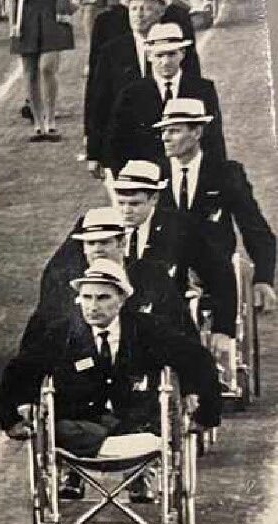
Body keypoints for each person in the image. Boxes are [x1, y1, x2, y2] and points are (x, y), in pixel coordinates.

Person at [0, 259, 221, 500]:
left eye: (103, 298)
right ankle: (110, 449)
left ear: (122, 299)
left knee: (152, 428)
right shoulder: (62, 333)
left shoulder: (147, 330)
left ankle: (131, 463)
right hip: (80, 427)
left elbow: (199, 359)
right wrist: (11, 419)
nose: (93, 306)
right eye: (87, 298)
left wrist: (204, 414)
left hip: (137, 424)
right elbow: (18, 370)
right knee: (55, 427)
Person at [156, 98, 277, 312]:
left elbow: (255, 228)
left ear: (196, 133)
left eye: (174, 131)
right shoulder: (153, 175)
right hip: (167, 279)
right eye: (164, 131)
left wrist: (263, 279)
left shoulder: (226, 174)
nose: (165, 138)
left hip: (217, 280)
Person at [23, 206, 195, 344]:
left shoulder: (152, 275)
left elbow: (183, 330)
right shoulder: (65, 282)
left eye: (105, 242)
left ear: (122, 243)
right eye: (91, 243)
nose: (98, 249)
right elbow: (41, 331)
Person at [85, 0, 200, 179]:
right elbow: (97, 98)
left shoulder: (177, 37)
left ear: (161, 11)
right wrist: (93, 151)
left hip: (170, 146)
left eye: (146, 9)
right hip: (126, 145)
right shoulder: (111, 48)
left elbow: (193, 85)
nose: (139, 14)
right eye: (134, 9)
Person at [106, 22, 224, 173]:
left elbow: (214, 140)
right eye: (159, 55)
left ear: (182, 53)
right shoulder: (131, 94)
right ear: (149, 56)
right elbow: (118, 146)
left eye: (171, 54)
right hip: (148, 181)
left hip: (192, 177)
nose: (166, 62)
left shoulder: (202, 90)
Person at [8, 0, 77, 140]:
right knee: (30, 71)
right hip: (26, 13)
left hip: (52, 12)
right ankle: (38, 123)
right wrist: (13, 22)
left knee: (47, 67)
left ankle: (50, 119)